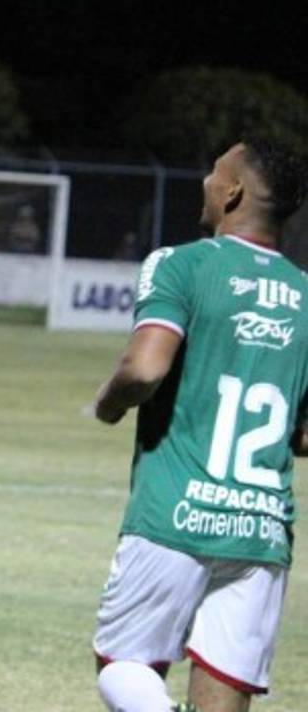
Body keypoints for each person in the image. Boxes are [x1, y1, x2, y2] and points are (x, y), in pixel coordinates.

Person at [91, 140, 308, 712]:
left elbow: (144, 367)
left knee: (122, 667)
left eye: (214, 172)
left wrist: (108, 404)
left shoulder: (180, 264)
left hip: (174, 515)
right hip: (261, 530)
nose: (206, 181)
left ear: (232, 191)